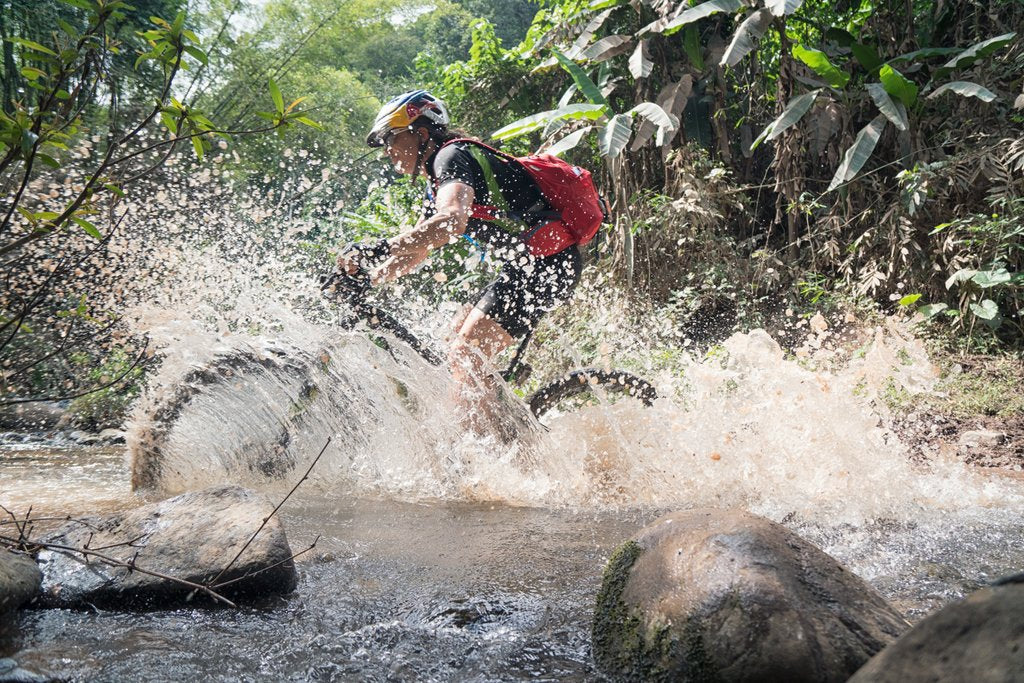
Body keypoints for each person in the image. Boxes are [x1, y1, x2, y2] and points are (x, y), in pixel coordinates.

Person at [337, 90, 584, 436]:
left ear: (421, 133)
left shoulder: (451, 156)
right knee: (454, 338)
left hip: (548, 267)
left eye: (393, 139)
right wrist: (370, 280)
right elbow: (418, 248)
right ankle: (498, 422)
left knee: (466, 354)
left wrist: (376, 248)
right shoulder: (439, 178)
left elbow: (452, 221)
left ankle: (472, 455)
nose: (389, 151)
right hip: (530, 268)